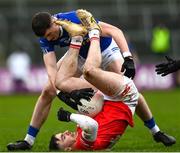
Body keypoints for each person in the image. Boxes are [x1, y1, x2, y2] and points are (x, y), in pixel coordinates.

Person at [7, 9, 175, 151]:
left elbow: (115, 31)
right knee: (48, 90)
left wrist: (128, 57)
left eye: (51, 34)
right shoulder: (45, 36)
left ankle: (156, 132)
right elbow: (50, 69)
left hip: (106, 50)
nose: (50, 39)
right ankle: (28, 140)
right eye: (47, 37)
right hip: (81, 54)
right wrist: (59, 92)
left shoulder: (75, 18)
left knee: (130, 92)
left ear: (54, 22)